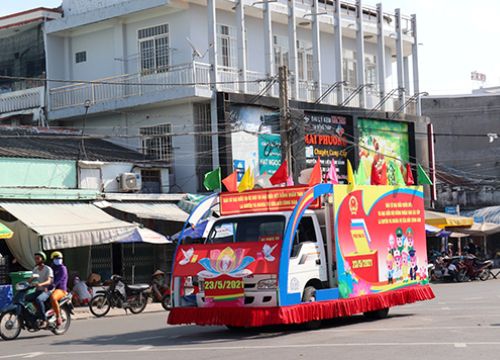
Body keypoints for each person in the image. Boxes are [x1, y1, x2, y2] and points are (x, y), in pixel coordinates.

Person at [26, 252, 53, 328]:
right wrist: (25, 284)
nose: (36, 260)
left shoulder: (48, 269)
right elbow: (31, 278)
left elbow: (49, 281)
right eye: (35, 259)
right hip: (38, 290)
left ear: (43, 259)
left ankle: (44, 320)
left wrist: (40, 284)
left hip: (47, 291)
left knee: (38, 299)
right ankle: (37, 312)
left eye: (38, 258)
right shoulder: (35, 269)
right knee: (27, 297)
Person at [50, 251, 68, 327]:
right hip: (51, 289)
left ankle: (58, 316)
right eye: (56, 258)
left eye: (59, 258)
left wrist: (53, 285)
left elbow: (59, 279)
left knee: (53, 298)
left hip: (61, 290)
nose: (58, 260)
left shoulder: (63, 269)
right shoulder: (51, 268)